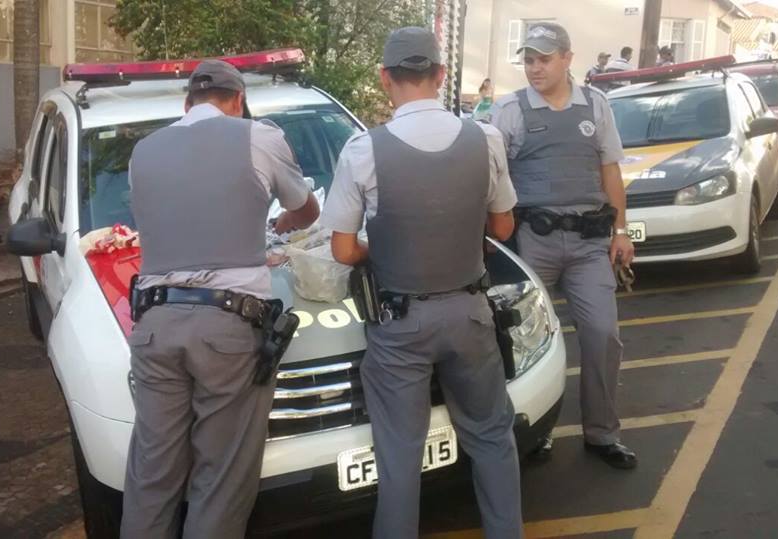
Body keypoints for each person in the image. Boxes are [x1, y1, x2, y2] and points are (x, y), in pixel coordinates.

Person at [321, 26, 523, 539]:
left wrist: (387, 247)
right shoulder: (485, 138)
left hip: (400, 325)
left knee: (399, 456)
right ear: (440, 74)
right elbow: (503, 227)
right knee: (492, 438)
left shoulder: (363, 150)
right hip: (470, 314)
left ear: (384, 78)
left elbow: (343, 251)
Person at [121, 59, 320, 538]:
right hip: (226, 329)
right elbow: (306, 209)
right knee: (220, 480)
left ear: (186, 103)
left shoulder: (143, 151)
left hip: (154, 325)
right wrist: (282, 223)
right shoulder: (258, 136)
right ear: (238, 102)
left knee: (152, 475)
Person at [490, 22, 638, 469]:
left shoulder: (595, 104)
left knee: (602, 335)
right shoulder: (509, 109)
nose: (535, 68)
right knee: (527, 345)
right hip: (532, 242)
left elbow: (610, 169)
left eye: (544, 59)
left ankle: (602, 434)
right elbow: (492, 176)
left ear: (568, 59)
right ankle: (536, 431)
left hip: (589, 243)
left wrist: (621, 231)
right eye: (529, 60)